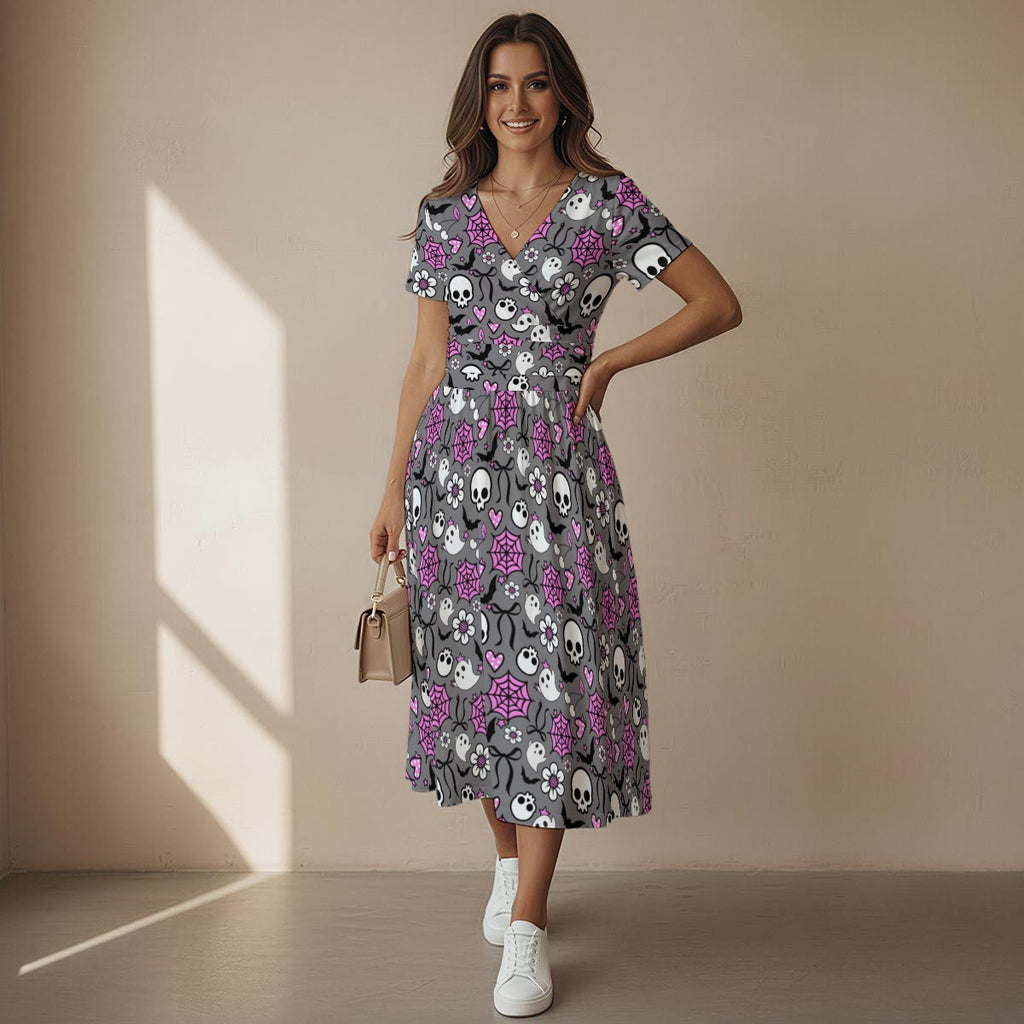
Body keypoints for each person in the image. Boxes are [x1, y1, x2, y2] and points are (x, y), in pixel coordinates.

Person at [371, 12, 741, 1017]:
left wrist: (610, 360)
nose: (517, 104)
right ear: (478, 99)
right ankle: (507, 866)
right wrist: (392, 486)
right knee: (474, 681)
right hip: (452, 476)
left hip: (555, 471)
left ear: (561, 93)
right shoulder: (445, 213)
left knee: (550, 684)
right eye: (499, 86)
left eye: (535, 83)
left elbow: (716, 302)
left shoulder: (606, 205)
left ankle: (528, 925)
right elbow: (426, 360)